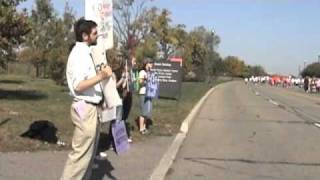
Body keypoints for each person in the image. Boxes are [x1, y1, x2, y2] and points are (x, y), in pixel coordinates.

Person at [60, 18, 113, 180]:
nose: (97, 36)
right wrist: (101, 76)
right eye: (95, 33)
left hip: (92, 108)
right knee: (80, 157)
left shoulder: (87, 53)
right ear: (85, 36)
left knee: (89, 156)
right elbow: (78, 85)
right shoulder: (78, 55)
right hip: (84, 108)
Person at [137, 58, 153, 134]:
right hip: (143, 93)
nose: (151, 65)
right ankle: (141, 128)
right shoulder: (142, 72)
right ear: (146, 64)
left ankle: (144, 127)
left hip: (149, 93)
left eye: (151, 63)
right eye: (150, 63)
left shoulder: (149, 72)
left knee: (147, 111)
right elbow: (140, 82)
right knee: (143, 111)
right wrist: (146, 80)